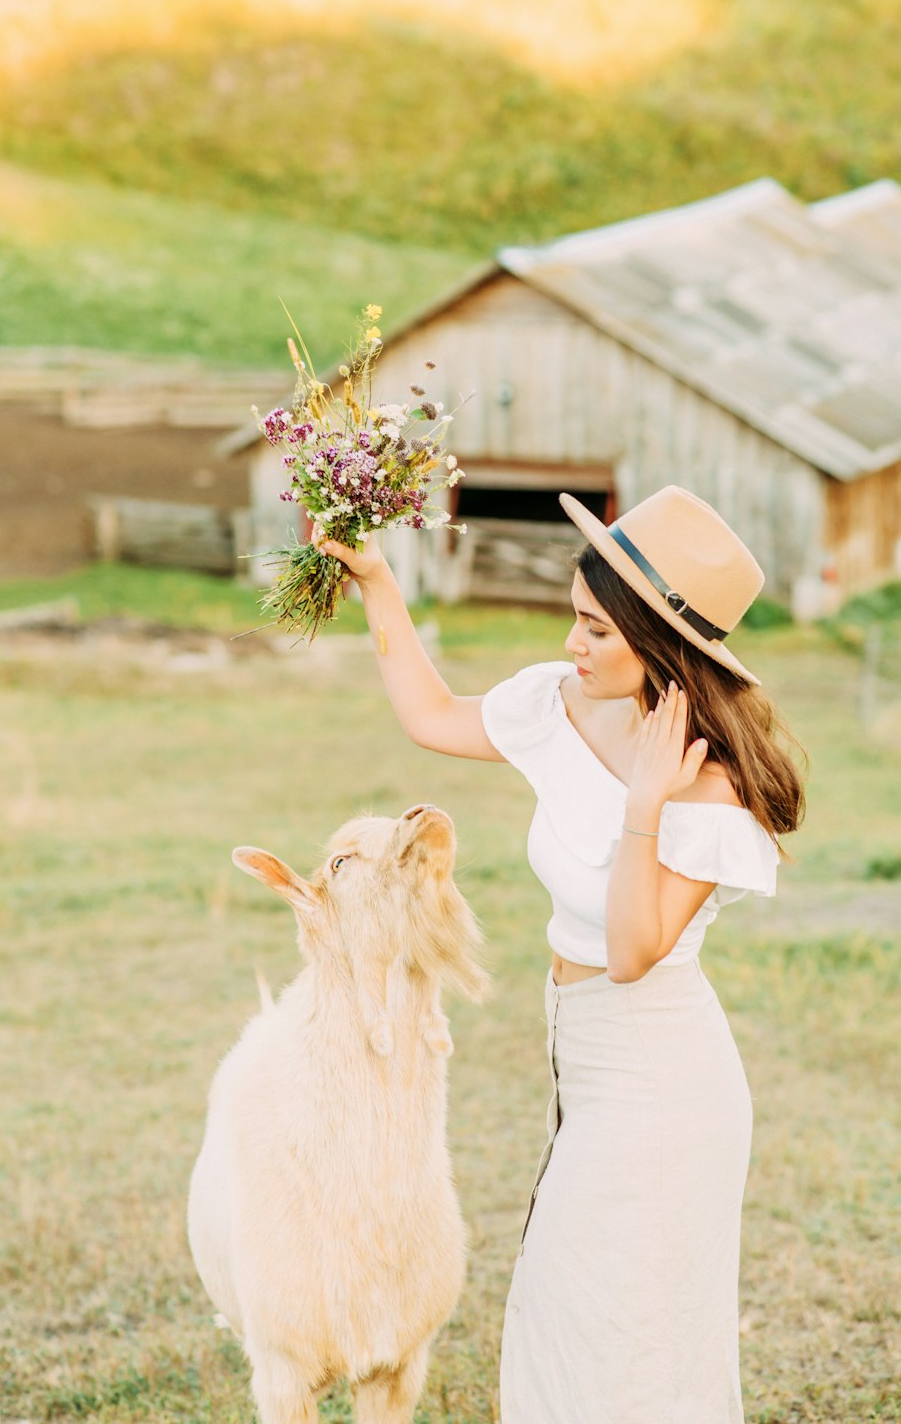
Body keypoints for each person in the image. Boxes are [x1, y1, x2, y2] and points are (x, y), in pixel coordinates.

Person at [315, 483, 805, 1424]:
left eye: (595, 632)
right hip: (583, 1060)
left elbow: (631, 953)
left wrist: (643, 808)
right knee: (566, 1308)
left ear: (660, 647)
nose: (573, 646)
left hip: (663, 1080)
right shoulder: (561, 703)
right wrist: (378, 584)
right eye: (573, 621)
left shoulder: (708, 789)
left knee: (625, 1328)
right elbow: (433, 716)